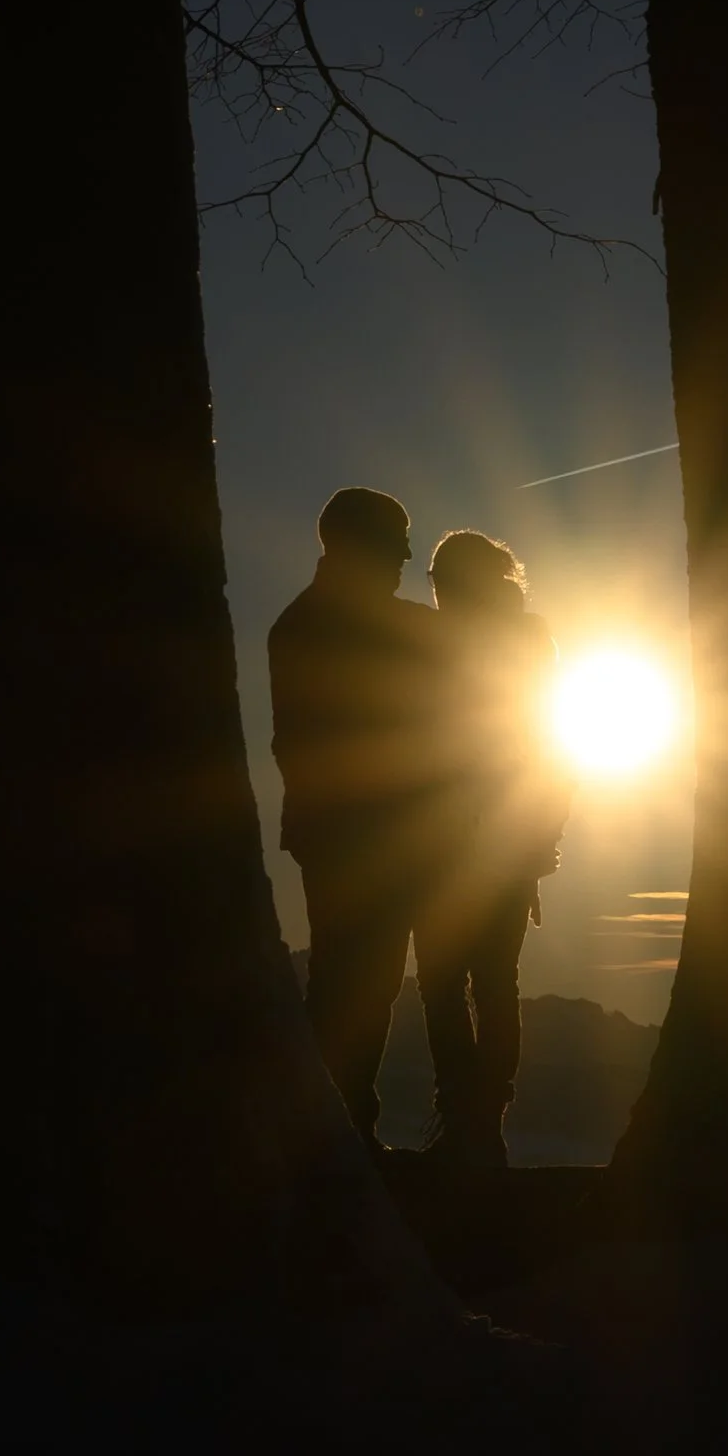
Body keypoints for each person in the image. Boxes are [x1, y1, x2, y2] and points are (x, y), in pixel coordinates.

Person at [267, 486, 438, 1148]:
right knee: (349, 983)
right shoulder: (310, 626)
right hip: (350, 838)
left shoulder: (332, 623)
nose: (404, 557)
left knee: (368, 983)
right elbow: (303, 745)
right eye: (394, 543)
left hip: (368, 836)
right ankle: (327, 1131)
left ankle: (338, 1127)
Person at [414, 530, 571, 1168]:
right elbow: (554, 750)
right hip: (499, 845)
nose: (433, 590)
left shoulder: (437, 643)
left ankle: (467, 1120)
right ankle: (481, 1119)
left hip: (451, 847)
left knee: (448, 984)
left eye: (438, 579)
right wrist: (543, 838)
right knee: (488, 983)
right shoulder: (532, 643)